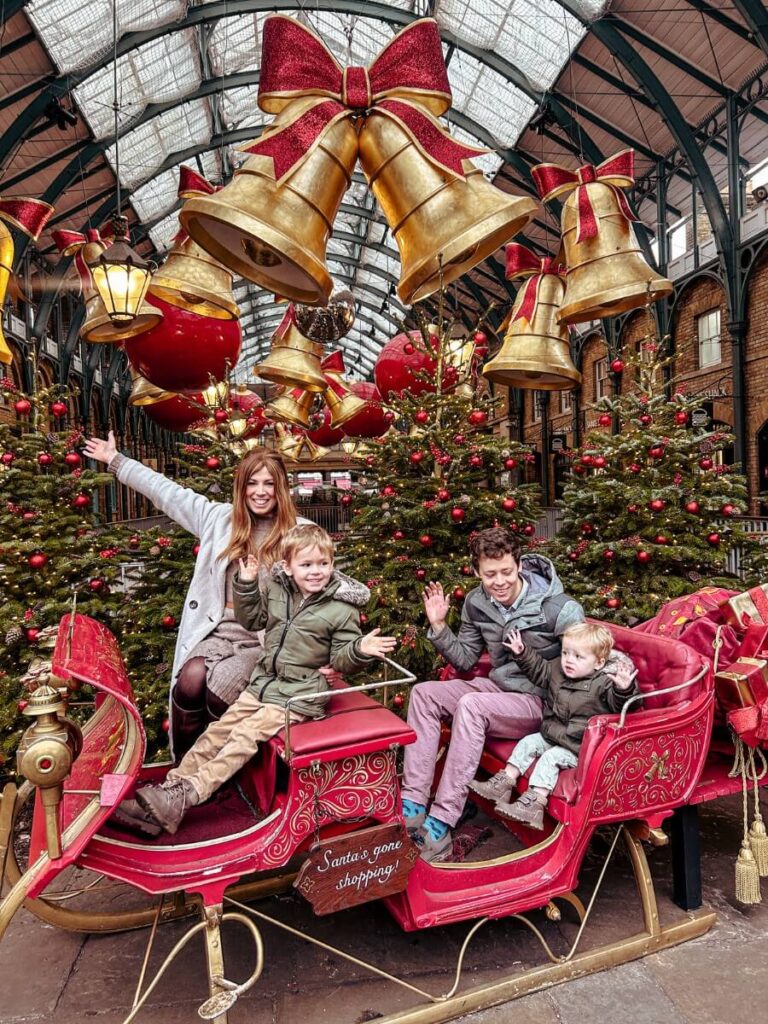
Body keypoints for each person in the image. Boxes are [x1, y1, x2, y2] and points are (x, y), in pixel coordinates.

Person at [124, 523, 397, 835]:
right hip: (264, 683)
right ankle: (164, 797)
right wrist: (247, 584)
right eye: (306, 565)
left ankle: (188, 795)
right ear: (289, 567)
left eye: (323, 564)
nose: (315, 572)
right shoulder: (279, 590)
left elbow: (340, 659)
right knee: (217, 732)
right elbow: (252, 619)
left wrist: (359, 649)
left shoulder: (341, 609)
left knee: (244, 737)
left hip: (300, 694)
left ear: (332, 564)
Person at [83, 431, 310, 756]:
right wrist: (117, 461)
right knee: (189, 680)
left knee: (219, 689)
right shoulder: (218, 520)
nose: (260, 492)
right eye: (252, 483)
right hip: (218, 631)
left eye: (269, 484)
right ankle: (183, 776)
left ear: (281, 488)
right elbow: (168, 493)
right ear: (241, 487)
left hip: (264, 642)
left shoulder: (299, 532)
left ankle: (220, 777)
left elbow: (326, 587)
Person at [401, 527, 584, 863]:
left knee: (472, 706)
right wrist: (440, 627)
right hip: (497, 690)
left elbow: (584, 666)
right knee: (424, 694)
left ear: (519, 566)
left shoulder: (559, 608)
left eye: (506, 572)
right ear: (476, 572)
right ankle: (411, 807)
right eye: (490, 574)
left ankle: (441, 821)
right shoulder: (476, 602)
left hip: (540, 700)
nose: (499, 581)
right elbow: (466, 660)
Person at [470, 622, 639, 829]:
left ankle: (534, 804)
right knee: (528, 742)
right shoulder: (559, 669)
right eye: (566, 653)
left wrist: (624, 689)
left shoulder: (604, 682)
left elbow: (622, 705)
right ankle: (504, 782)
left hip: (577, 747)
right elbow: (540, 671)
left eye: (578, 657)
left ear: (598, 663)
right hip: (553, 734)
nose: (569, 660)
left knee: (551, 758)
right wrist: (522, 653)